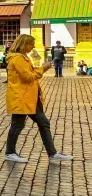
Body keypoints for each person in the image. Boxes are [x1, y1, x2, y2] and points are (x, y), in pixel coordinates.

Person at [4, 35, 73, 163]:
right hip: (21, 97)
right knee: (17, 125)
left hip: (29, 97)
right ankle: (9, 152)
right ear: (24, 44)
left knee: (43, 123)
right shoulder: (18, 59)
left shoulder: (23, 58)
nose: (33, 47)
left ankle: (52, 154)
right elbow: (28, 77)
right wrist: (43, 68)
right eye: (31, 44)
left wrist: (40, 68)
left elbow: (28, 74)